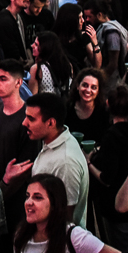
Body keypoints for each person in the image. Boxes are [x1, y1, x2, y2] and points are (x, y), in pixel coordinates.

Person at [24, 93, 90, 228]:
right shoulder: (52, 141)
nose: (24, 123)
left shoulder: (65, 162)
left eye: (31, 119)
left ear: (50, 123)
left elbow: (66, 217)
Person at [64, 68, 108, 143]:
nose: (88, 90)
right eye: (85, 85)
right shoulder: (67, 108)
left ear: (98, 91)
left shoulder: (104, 111)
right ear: (78, 86)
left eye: (93, 87)